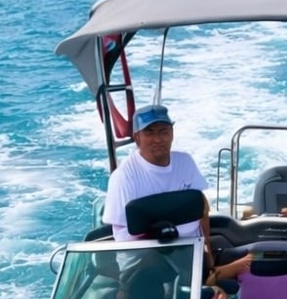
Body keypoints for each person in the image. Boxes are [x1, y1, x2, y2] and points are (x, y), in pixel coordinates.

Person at [102, 102, 248, 283]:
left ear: (172, 134)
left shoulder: (185, 162)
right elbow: (123, 237)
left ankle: (212, 275)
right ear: (137, 137)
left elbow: (202, 210)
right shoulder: (123, 177)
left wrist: (208, 254)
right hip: (143, 262)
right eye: (150, 133)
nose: (158, 139)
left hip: (190, 253)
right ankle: (210, 278)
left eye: (163, 131)